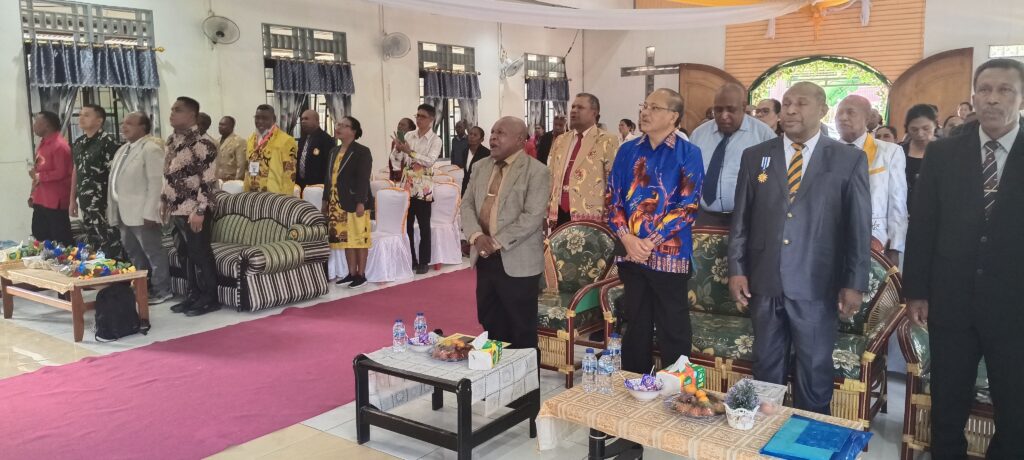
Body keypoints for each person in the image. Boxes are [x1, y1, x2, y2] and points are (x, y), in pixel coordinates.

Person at [904, 58, 1024, 459]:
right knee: (948, 402)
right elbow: (923, 224)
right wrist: (916, 290)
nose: (993, 99)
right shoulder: (943, 153)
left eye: (1004, 90)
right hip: (951, 300)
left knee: (1015, 408)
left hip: (1015, 305)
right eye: (985, 90)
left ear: (1021, 97)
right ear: (974, 96)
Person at [728, 81, 870, 414]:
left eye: (801, 103)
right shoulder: (756, 156)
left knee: (814, 371)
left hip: (817, 284)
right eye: (787, 103)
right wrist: (737, 269)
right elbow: (741, 220)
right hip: (765, 282)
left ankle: (809, 437)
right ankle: (763, 434)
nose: (791, 110)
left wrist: (854, 283)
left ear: (822, 110)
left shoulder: (848, 159)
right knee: (766, 368)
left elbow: (858, 227)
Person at [606, 88, 704, 374]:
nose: (645, 112)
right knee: (635, 325)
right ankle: (636, 388)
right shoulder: (628, 150)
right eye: (644, 106)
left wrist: (648, 242)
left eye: (654, 108)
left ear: (673, 116)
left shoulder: (688, 153)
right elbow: (612, 199)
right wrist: (627, 238)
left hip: (669, 257)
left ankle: (677, 391)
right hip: (631, 254)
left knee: (673, 328)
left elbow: (688, 207)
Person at [460, 116, 550, 349]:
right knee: (491, 325)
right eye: (492, 132)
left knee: (521, 331)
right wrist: (476, 237)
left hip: (517, 261)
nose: (493, 137)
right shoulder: (480, 167)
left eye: (500, 133)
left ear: (520, 140)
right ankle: (497, 371)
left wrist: (495, 242)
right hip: (485, 258)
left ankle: (527, 375)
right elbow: (466, 205)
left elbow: (531, 217)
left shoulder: (536, 171)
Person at [162, 96, 220, 317]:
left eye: (178, 110)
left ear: (191, 115)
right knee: (184, 254)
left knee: (200, 253)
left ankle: (210, 298)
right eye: (172, 109)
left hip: (195, 209)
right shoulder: (172, 140)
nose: (172, 114)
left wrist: (201, 210)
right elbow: (168, 174)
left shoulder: (203, 143)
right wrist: (164, 200)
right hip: (176, 208)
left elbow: (209, 181)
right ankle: (193, 294)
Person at [107, 112, 172, 305]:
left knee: (153, 252)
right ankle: (143, 288)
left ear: (143, 127)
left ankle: (162, 290)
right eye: (123, 123)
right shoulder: (123, 149)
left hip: (143, 213)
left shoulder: (151, 149)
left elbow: (156, 184)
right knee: (134, 252)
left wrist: (151, 213)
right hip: (123, 210)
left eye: (129, 123)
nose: (124, 126)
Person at [691, 83, 776, 227]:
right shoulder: (699, 135)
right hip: (705, 217)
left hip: (747, 218)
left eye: (731, 110)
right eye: (718, 110)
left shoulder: (763, 135)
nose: (724, 116)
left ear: (743, 107)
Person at [835, 95, 908, 266]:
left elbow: (897, 202)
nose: (843, 117)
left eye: (850, 112)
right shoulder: (825, 152)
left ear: (867, 118)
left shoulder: (889, 152)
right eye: (839, 113)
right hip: (832, 238)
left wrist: (895, 247)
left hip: (875, 240)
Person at [546, 93, 618, 227]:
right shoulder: (560, 140)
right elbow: (550, 176)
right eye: (573, 107)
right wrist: (547, 209)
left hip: (591, 216)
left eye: (580, 107)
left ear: (594, 113)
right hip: (559, 213)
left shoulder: (607, 140)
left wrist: (609, 218)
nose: (574, 110)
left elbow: (612, 183)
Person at [394, 104, 442, 274]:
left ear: (431, 119)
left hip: (423, 188)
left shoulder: (435, 140)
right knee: (407, 226)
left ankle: (424, 261)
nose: (419, 119)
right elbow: (397, 159)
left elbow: (429, 161)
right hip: (407, 187)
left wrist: (411, 152)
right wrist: (398, 149)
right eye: (417, 115)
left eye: (422, 116)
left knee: (424, 227)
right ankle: (411, 259)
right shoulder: (409, 135)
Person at [326, 116, 373, 289]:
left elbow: (363, 179)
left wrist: (361, 202)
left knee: (359, 239)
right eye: (338, 124)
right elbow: (328, 178)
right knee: (346, 239)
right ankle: (351, 273)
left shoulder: (362, 151)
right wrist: (325, 200)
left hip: (355, 202)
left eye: (344, 126)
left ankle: (361, 275)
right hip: (337, 203)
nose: (338, 128)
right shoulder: (333, 151)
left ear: (353, 131)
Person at [70, 104, 123, 258]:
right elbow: (76, 171)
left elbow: (116, 174)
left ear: (99, 120)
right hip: (86, 203)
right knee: (93, 242)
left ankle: (117, 271)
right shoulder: (79, 143)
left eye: (86, 115)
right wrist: (72, 200)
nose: (81, 118)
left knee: (110, 241)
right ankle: (99, 271)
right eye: (80, 114)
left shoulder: (108, 142)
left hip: (104, 203)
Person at [28, 111, 73, 245]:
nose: (34, 126)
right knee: (40, 236)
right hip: (41, 199)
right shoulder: (43, 144)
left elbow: (62, 172)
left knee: (60, 241)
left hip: (55, 202)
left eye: (36, 122)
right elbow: (38, 171)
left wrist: (40, 176)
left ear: (46, 125)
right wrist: (32, 195)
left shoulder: (60, 146)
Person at [244, 104, 297, 195]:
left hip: (274, 196)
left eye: (265, 118)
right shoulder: (250, 140)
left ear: (274, 119)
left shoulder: (286, 140)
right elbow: (247, 169)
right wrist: (246, 192)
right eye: (257, 118)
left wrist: (284, 199)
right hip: (252, 194)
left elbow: (289, 174)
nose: (260, 121)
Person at [901, 104, 939, 211]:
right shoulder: (900, 152)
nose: (920, 134)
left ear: (935, 125)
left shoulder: (947, 151)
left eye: (926, 128)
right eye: (914, 129)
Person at [296, 110, 334, 190]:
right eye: (302, 119)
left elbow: (329, 166)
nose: (303, 121)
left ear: (316, 120)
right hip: (300, 185)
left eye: (306, 119)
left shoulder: (326, 139)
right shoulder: (302, 139)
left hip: (318, 186)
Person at [451, 126, 490, 193]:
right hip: (466, 188)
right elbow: (466, 173)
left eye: (475, 135)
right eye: (470, 134)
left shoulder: (487, 153)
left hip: (481, 189)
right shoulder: (465, 152)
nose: (471, 136)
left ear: (482, 139)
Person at [214, 116, 247, 181]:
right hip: (218, 180)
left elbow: (241, 165)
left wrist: (237, 181)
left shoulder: (239, 141)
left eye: (223, 125)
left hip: (232, 181)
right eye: (219, 124)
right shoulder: (216, 141)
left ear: (231, 127)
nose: (220, 127)